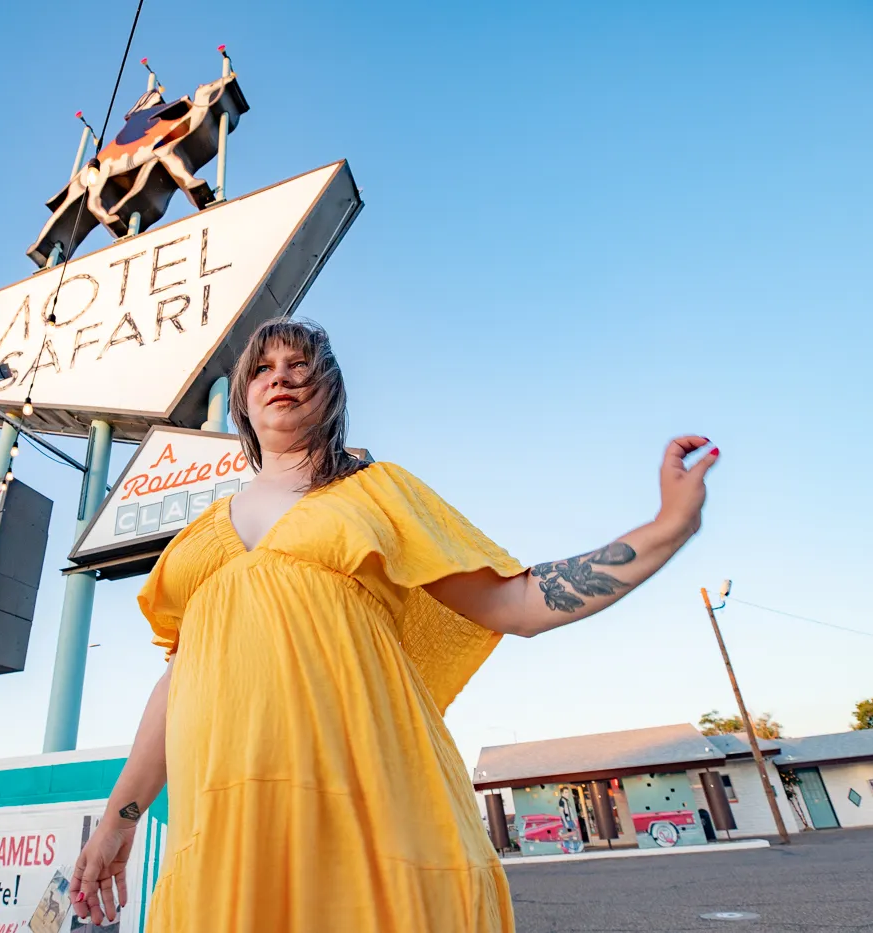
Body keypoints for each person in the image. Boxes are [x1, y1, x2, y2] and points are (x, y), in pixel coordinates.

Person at [70, 319, 719, 931]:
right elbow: (178, 682)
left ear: (332, 392)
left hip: (370, 810)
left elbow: (518, 601)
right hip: (226, 833)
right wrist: (119, 820)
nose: (282, 374)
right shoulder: (195, 542)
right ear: (242, 398)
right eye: (263, 366)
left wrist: (667, 528)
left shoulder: (376, 492)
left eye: (301, 363)